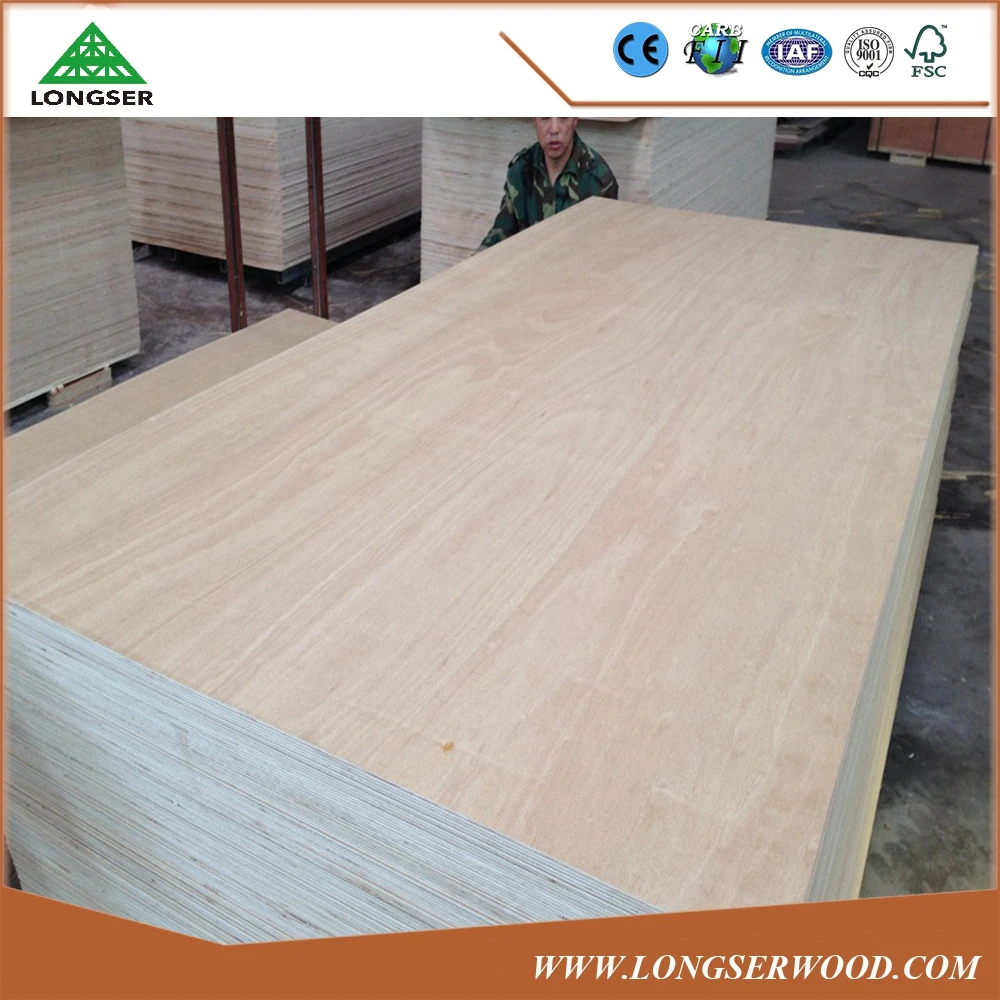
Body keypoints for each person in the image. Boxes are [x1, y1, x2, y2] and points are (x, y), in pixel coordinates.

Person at [479, 118, 619, 251]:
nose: (554, 129)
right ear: (535, 120)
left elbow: (608, 251)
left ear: (575, 119)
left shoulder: (597, 180)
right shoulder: (521, 170)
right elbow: (501, 233)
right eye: (545, 117)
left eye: (563, 117)